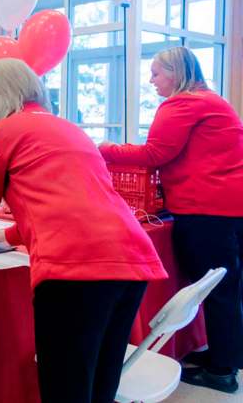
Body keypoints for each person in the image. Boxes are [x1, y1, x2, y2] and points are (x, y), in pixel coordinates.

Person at [0, 59, 167, 403]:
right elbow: (74, 198)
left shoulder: (1, 134)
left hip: (76, 269)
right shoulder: (69, 128)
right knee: (100, 382)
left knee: (66, 387)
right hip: (130, 261)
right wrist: (12, 235)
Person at [100, 46, 243, 394]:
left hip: (208, 207)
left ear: (176, 73)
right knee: (226, 287)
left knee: (219, 290)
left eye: (156, 73)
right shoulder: (209, 100)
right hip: (228, 205)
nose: (151, 80)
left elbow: (155, 154)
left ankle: (222, 370)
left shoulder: (183, 104)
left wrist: (103, 149)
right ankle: (225, 357)